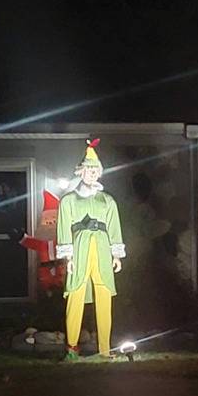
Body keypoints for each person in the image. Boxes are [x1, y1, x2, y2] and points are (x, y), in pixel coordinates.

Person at [56, 139, 125, 360]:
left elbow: (114, 227)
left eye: (96, 170)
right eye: (88, 170)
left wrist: (116, 254)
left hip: (102, 250)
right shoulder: (69, 201)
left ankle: (105, 349)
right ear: (81, 172)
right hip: (80, 249)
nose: (92, 174)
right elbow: (64, 228)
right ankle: (72, 348)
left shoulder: (107, 201)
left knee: (104, 296)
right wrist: (68, 256)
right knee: (75, 295)